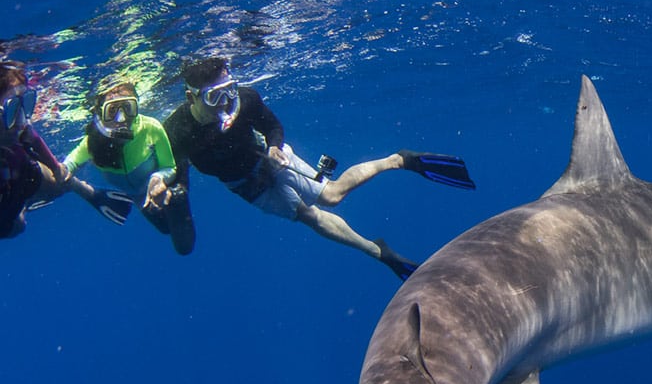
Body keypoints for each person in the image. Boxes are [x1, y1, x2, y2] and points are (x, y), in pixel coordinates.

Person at [163, 57, 475, 280]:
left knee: (333, 196)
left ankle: (400, 160)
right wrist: (170, 194)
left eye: (230, 89)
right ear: (192, 97)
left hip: (269, 158)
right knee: (308, 216)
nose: (226, 101)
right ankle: (382, 255)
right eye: (216, 96)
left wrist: (273, 147)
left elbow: (273, 126)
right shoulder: (177, 131)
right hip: (243, 184)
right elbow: (177, 172)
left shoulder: (245, 100)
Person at [61, 79, 195, 255]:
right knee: (164, 228)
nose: (121, 119)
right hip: (138, 196)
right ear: (100, 113)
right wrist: (67, 177)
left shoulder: (151, 127)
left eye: (128, 108)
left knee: (184, 246)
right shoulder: (93, 143)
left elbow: (169, 167)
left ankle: (178, 194)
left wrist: (158, 179)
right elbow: (68, 164)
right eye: (112, 110)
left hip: (162, 186)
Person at [2, 62, 132, 239]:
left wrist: (62, 172)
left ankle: (84, 192)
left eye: (27, 103)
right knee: (18, 226)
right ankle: (21, 206)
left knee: (58, 185)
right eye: (13, 107)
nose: (22, 119)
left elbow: (34, 138)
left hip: (20, 170)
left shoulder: (20, 127)